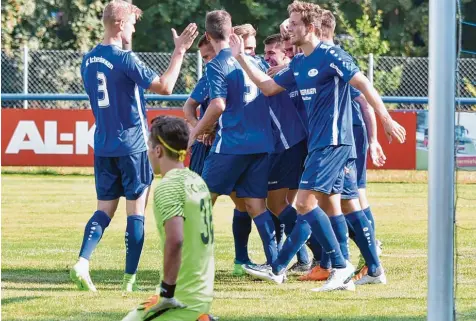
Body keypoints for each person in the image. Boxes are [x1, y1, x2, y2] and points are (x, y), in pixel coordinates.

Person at [231, 0, 405, 291]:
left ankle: (338, 265)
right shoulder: (299, 63)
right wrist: (241, 59)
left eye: (295, 24)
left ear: (310, 28)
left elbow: (363, 85)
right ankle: (373, 268)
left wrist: (385, 119)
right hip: (321, 143)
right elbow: (268, 86)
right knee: (338, 203)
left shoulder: (331, 55)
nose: (288, 30)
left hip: (333, 142)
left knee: (302, 202)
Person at [70, 0, 198, 293]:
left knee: (103, 210)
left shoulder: (88, 60)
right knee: (136, 212)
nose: (134, 28)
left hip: (103, 144)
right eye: (132, 23)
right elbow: (166, 86)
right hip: (133, 144)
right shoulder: (125, 59)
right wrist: (179, 51)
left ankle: (82, 261)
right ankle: (129, 281)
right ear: (120, 24)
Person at [188, 10, 279, 273]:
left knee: (201, 201)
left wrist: (193, 135)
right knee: (255, 205)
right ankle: (275, 265)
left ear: (208, 35)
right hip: (262, 144)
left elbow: (217, 105)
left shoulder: (217, 64)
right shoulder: (255, 62)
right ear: (231, 32)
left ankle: (194, 266)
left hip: (231, 145)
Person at [121, 116, 215, 321]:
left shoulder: (168, 186)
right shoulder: (196, 180)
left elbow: (175, 239)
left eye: (149, 146)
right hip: (201, 292)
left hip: (181, 297)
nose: (147, 152)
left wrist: (167, 292)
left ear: (158, 151)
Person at [183, 35, 216, 176]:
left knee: (245, 192)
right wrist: (200, 128)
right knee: (198, 188)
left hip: (231, 142)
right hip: (206, 143)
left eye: (209, 56)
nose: (208, 62)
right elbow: (188, 106)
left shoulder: (237, 73)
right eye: (204, 58)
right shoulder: (208, 78)